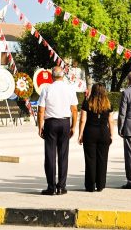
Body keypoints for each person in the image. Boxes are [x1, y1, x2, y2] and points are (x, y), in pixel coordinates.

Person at [38, 67, 79, 195]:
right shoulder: (70, 89)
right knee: (63, 155)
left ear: (52, 76)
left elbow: (41, 110)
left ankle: (51, 187)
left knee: (50, 156)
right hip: (65, 122)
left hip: (51, 123)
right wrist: (73, 126)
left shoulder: (46, 89)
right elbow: (74, 110)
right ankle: (61, 186)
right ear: (63, 75)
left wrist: (40, 126)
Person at [79, 83, 115, 192]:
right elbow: (111, 121)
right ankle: (100, 185)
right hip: (104, 133)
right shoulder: (108, 104)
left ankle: (90, 185)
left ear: (93, 91)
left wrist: (80, 134)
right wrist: (111, 135)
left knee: (90, 159)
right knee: (102, 159)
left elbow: (83, 120)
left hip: (90, 132)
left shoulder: (87, 103)